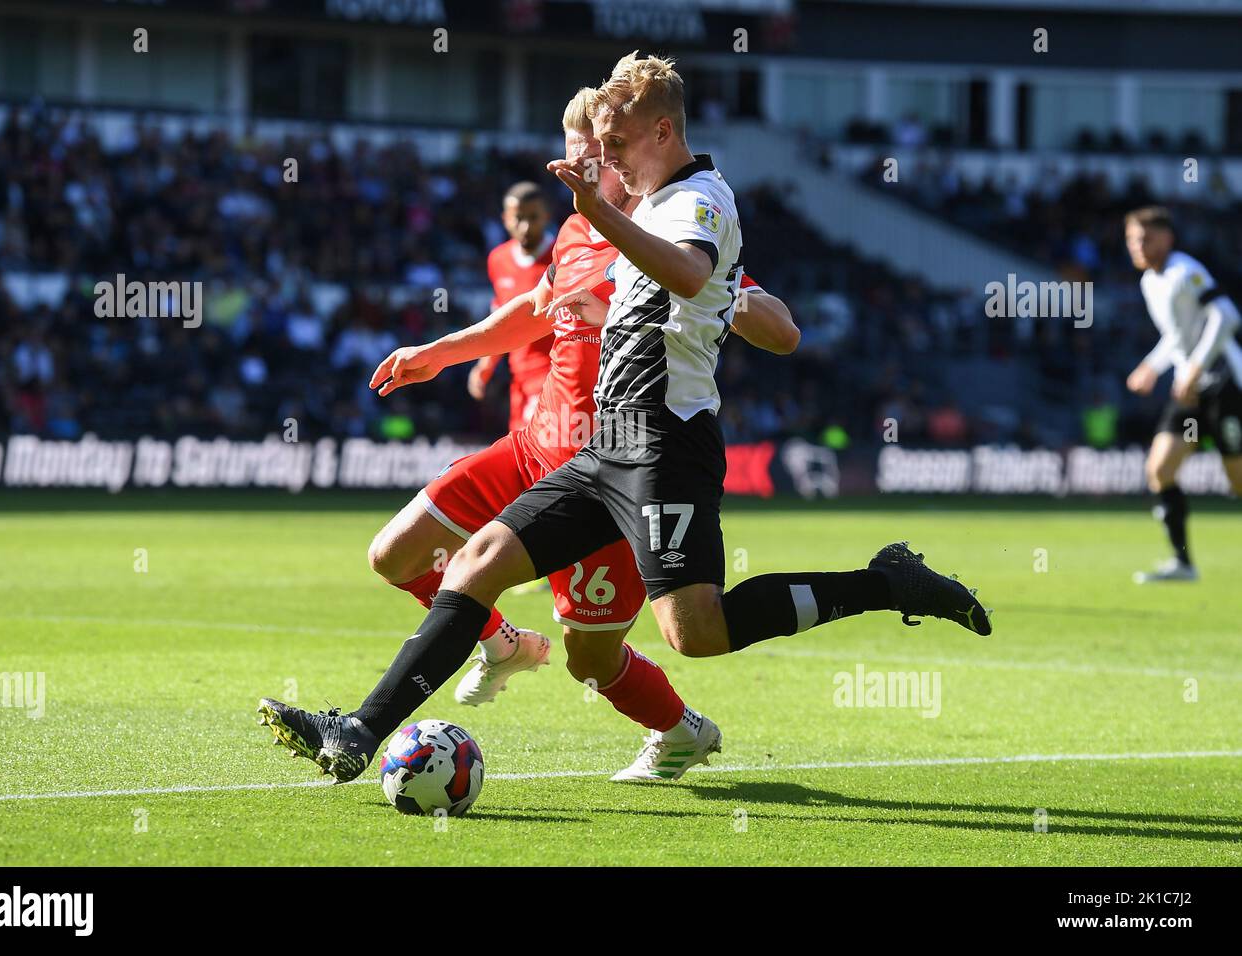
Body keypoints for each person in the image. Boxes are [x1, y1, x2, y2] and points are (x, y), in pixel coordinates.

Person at [259, 54, 988, 785]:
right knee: (479, 563)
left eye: (615, 143)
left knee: (693, 634)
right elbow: (560, 302)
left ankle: (885, 584)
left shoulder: (698, 199)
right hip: (606, 443)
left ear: (661, 131)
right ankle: (358, 729)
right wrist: (452, 350)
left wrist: (618, 224)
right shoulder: (630, 214)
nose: (601, 157)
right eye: (596, 142)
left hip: (669, 448)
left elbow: (696, 275)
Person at [267, 86, 798, 782]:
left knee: (591, 658)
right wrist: (443, 352)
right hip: (533, 446)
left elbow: (773, 322)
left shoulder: (674, 226)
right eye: (572, 141)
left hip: (607, 470)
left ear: (626, 153)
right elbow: (536, 309)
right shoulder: (580, 233)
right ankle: (483, 654)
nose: (574, 158)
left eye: (591, 147)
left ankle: (679, 730)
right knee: (396, 554)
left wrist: (729, 300)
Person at [1123, 206, 1242, 582]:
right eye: (1132, 239)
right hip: (1189, 391)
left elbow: (1226, 316)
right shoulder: (1150, 282)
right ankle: (1183, 562)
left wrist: (1194, 367)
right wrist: (1152, 366)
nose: (1139, 246)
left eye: (1147, 238)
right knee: (1160, 469)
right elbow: (1177, 335)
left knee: (1238, 481)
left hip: (1224, 383)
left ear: (1167, 238)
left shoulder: (1183, 271)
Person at [467, 183, 554, 432]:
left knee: (544, 455)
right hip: (519, 380)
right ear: (505, 219)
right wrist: (485, 367)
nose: (526, 226)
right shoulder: (498, 259)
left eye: (533, 217)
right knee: (524, 459)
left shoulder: (563, 256)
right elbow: (500, 317)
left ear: (546, 216)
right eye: (518, 218)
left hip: (555, 377)